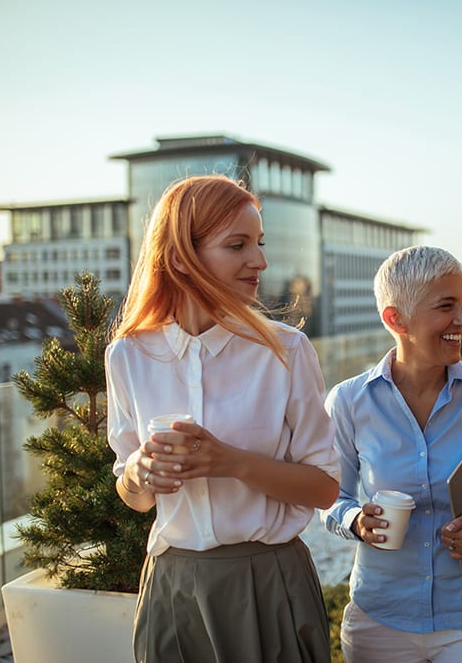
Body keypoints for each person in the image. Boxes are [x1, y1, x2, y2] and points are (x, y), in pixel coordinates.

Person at [105, 175, 340, 663]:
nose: (260, 260)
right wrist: (139, 473)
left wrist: (230, 462)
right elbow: (134, 498)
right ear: (179, 257)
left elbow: (324, 488)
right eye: (237, 245)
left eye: (259, 243)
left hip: (269, 583)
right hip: (172, 587)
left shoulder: (286, 351)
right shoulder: (127, 355)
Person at [320, 245, 462, 663]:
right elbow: (330, 498)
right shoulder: (348, 402)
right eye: (447, 306)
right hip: (380, 618)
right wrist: (356, 521)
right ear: (395, 319)